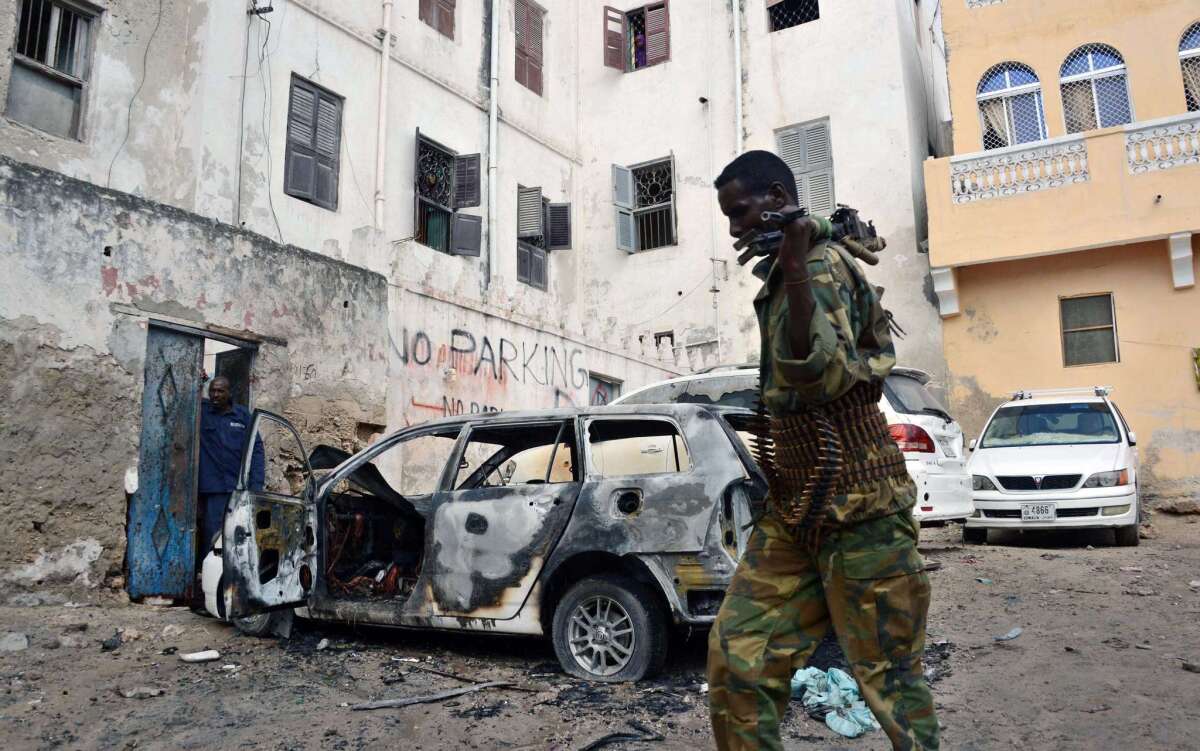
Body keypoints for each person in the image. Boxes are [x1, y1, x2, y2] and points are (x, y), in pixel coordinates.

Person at [707, 150, 939, 751]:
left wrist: (798, 268)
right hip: (798, 504)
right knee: (739, 658)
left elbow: (821, 378)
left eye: (741, 211)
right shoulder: (792, 271)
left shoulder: (821, 265)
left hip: (861, 503)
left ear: (779, 198)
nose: (734, 228)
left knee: (891, 683)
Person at [198, 375, 264, 549]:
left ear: (229, 393)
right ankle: (210, 574)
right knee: (213, 537)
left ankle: (233, 574)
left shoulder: (242, 415)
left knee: (239, 536)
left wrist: (256, 485)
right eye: (212, 390)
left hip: (239, 488)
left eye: (220, 391)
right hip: (214, 490)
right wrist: (199, 380)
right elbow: (188, 396)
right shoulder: (202, 412)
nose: (215, 395)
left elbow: (256, 449)